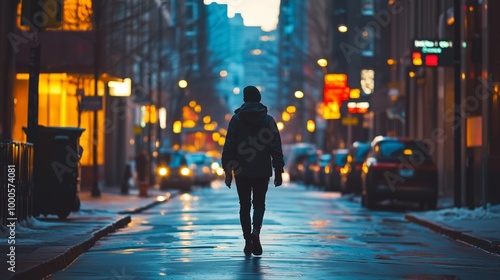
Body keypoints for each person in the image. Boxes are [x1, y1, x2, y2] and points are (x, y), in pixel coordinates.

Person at [221, 85, 285, 256]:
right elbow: (276, 147)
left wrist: (227, 170)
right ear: (259, 99)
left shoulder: (236, 120)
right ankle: (256, 232)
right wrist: (278, 170)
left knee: (244, 206)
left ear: (244, 99)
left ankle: (247, 241)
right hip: (262, 171)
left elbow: (229, 146)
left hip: (241, 170)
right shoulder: (268, 120)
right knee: (259, 204)